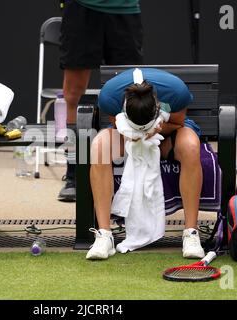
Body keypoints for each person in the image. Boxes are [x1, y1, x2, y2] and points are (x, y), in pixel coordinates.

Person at [86, 67, 205, 260]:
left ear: (158, 106)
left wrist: (158, 128)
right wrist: (134, 133)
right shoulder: (110, 96)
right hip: (127, 135)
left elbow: (179, 121)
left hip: (170, 130)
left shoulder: (176, 91)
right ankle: (104, 235)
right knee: (99, 147)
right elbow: (115, 124)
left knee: (191, 146)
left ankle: (191, 232)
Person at [58, 0, 143, 202]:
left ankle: (124, 172)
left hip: (125, 9)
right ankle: (74, 174)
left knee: (129, 92)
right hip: (82, 9)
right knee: (73, 94)